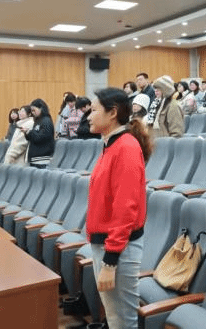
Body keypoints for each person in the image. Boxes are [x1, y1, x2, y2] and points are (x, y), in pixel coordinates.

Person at [86, 87, 152, 329]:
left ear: (112, 113)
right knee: (116, 320)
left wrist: (110, 261)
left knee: (122, 322)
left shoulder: (126, 147)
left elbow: (126, 209)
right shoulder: (111, 144)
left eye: (94, 110)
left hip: (117, 250)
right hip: (106, 245)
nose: (88, 116)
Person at [25, 98, 55, 168]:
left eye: (34, 110)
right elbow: (33, 137)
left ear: (41, 108)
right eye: (31, 111)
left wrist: (29, 132)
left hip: (42, 159)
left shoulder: (46, 121)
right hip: (36, 158)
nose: (32, 112)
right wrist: (27, 133)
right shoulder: (38, 121)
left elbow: (40, 138)